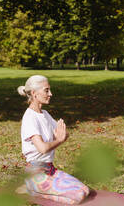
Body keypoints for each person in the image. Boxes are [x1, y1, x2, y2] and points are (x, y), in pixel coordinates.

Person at [17, 75, 89, 205]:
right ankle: (31, 188)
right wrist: (59, 140)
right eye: (46, 90)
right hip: (35, 173)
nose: (50, 94)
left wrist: (62, 136)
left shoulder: (45, 114)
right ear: (34, 93)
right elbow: (43, 148)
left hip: (50, 170)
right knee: (77, 196)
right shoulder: (29, 118)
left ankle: (36, 190)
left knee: (85, 190)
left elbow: (63, 134)